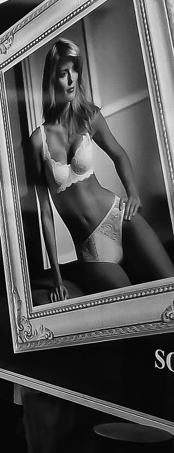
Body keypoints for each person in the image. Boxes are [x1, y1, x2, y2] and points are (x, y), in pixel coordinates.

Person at [29, 38, 174, 301]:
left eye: (75, 70)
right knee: (133, 304)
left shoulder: (89, 117)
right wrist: (57, 280)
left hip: (120, 217)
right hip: (91, 245)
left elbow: (119, 154)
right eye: (63, 73)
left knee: (171, 286)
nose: (72, 79)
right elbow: (45, 214)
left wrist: (133, 193)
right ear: (52, 79)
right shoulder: (37, 141)